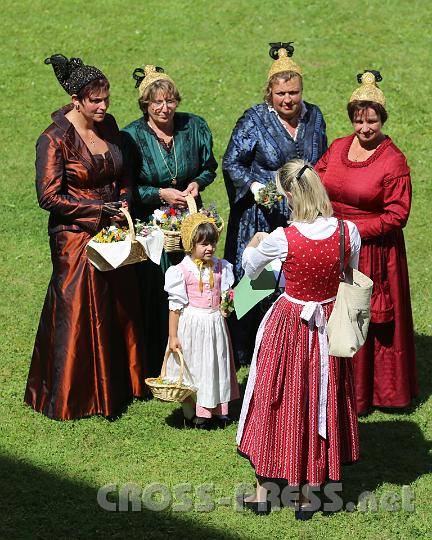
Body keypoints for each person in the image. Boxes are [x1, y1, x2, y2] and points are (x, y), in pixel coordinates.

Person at [24, 54, 148, 420]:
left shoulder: (108, 126)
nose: (104, 106)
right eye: (96, 100)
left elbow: (122, 170)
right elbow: (49, 195)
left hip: (112, 231)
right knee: (77, 309)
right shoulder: (53, 139)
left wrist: (122, 202)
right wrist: (97, 212)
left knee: (118, 306)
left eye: (106, 99)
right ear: (76, 100)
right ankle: (71, 396)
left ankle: (123, 385)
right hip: (74, 236)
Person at [236, 160, 361, 518]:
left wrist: (255, 243)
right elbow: (349, 271)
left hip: (290, 325)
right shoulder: (347, 231)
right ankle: (307, 496)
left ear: (289, 194)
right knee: (320, 396)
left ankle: (263, 492)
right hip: (329, 325)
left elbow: (251, 269)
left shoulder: (282, 238)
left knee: (274, 397)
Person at [315, 71, 417, 414]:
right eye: (359, 120)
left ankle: (371, 393)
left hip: (373, 252)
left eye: (371, 121)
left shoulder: (393, 161)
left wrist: (355, 231)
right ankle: (336, 387)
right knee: (333, 314)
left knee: (365, 317)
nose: (364, 128)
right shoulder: (339, 147)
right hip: (335, 245)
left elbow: (396, 216)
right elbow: (318, 180)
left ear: (382, 120)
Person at [223, 42, 328, 366]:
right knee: (257, 283)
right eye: (281, 93)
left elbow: (321, 163)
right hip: (261, 219)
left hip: (301, 216)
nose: (288, 100)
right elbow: (231, 163)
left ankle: (291, 348)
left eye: (294, 92)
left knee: (293, 284)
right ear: (269, 92)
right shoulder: (254, 119)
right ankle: (245, 350)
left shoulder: (314, 117)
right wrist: (255, 187)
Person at [122, 64, 217, 376]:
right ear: (145, 106)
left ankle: (195, 356)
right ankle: (156, 359)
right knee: (160, 290)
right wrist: (160, 194)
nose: (164, 109)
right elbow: (130, 188)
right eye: (156, 103)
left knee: (196, 287)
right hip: (154, 231)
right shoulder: (132, 137)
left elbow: (209, 166)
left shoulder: (194, 127)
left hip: (190, 224)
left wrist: (197, 184)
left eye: (170, 101)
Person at [164, 214, 239, 429]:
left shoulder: (221, 267)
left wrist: (226, 306)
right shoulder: (181, 271)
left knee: (214, 365)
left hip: (214, 324)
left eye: (213, 243)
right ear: (190, 244)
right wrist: (173, 335)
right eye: (204, 244)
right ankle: (192, 410)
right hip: (193, 325)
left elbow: (225, 294)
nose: (210, 248)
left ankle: (215, 408)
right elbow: (175, 307)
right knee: (194, 366)